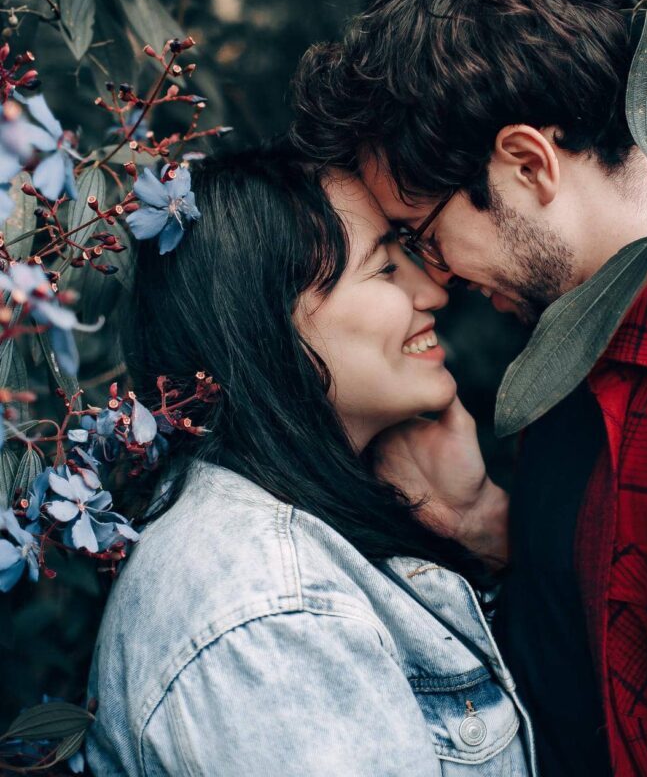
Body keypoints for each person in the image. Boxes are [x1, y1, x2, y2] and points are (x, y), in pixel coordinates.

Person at [290, 0, 647, 777]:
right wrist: (490, 526)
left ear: (526, 163)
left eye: (421, 235)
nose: (432, 279)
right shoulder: (561, 378)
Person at [86, 142, 535, 777]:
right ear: (269, 320)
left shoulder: (295, 540)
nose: (433, 291)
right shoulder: (269, 615)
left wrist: (478, 526)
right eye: (384, 268)